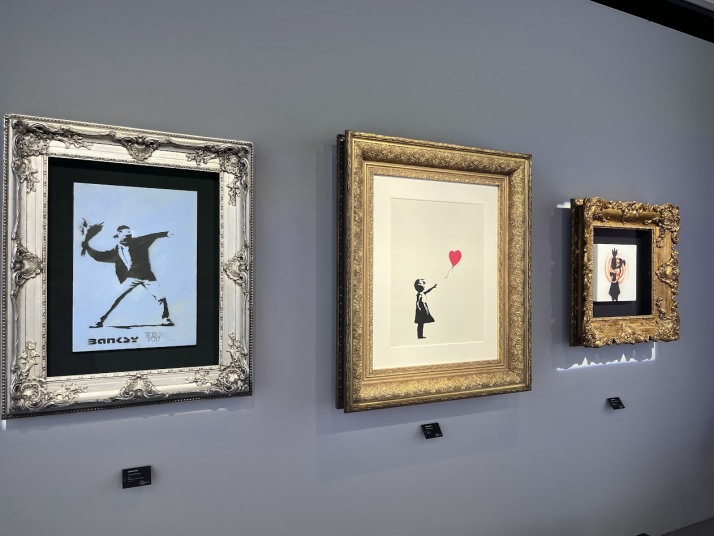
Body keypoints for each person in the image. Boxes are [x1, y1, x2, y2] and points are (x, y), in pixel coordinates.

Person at [81, 224, 173, 328]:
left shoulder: (139, 242)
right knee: (114, 299)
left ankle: (165, 319)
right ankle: (99, 321)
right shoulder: (116, 251)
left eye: (129, 236)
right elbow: (100, 256)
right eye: (125, 236)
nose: (127, 238)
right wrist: (87, 248)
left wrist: (166, 234)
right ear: (118, 235)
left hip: (147, 277)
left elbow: (152, 236)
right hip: (130, 277)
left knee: (161, 297)